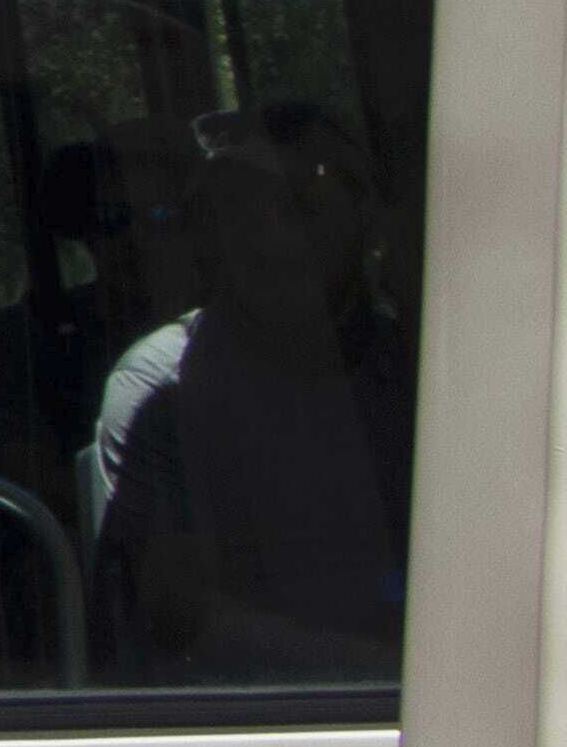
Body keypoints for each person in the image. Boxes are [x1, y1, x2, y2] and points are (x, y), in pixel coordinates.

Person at [91, 101, 413, 681]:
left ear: (365, 219)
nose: (271, 236)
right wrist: (386, 675)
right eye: (239, 210)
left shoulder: (419, 375)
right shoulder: (161, 388)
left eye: (300, 205)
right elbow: (176, 620)